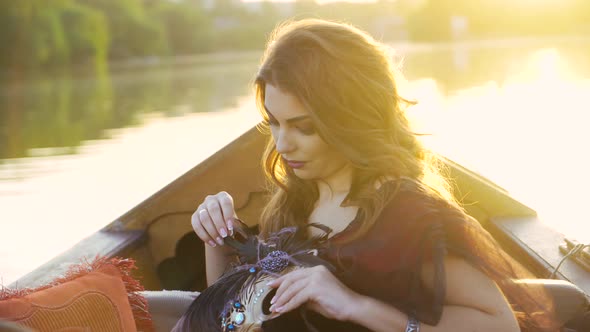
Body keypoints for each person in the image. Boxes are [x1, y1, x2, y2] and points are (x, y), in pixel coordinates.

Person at [190, 18, 558, 331]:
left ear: (350, 120)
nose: (283, 145)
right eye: (274, 122)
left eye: (304, 127)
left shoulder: (407, 214)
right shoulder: (297, 198)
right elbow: (233, 320)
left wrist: (355, 305)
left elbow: (500, 324)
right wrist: (218, 239)